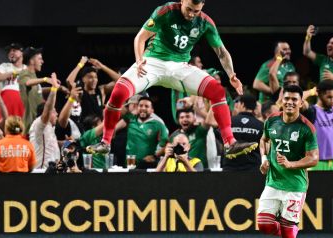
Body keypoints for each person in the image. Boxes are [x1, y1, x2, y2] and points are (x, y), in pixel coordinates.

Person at [87, 0, 257, 160]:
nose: (191, 14)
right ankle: (105, 142)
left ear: (202, 6)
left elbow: (221, 51)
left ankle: (230, 143)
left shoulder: (205, 22)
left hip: (180, 67)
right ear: (182, 1)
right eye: (189, 9)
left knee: (218, 92)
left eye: (196, 11)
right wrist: (139, 60)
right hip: (151, 63)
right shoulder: (166, 11)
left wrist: (231, 74)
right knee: (118, 93)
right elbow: (140, 38)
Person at [257, 84, 318, 238]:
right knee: (264, 225)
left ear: (301, 102)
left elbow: (314, 158)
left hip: (295, 185)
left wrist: (292, 164)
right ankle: (288, 230)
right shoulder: (272, 120)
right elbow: (264, 140)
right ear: (281, 101)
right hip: (273, 181)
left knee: (287, 226)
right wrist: (264, 158)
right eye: (287, 99)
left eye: (294, 99)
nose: (290, 102)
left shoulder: (307, 128)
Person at [117, 96, 168, 169]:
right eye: (140, 106)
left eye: (146, 106)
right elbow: (115, 129)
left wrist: (155, 156)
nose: (143, 108)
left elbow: (166, 145)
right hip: (130, 164)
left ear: (152, 110)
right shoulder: (130, 119)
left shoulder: (158, 125)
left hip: (148, 166)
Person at [18, 47, 56, 130]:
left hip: (38, 122)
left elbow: (38, 91)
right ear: (31, 61)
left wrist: (56, 88)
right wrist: (45, 79)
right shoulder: (24, 73)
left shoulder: (34, 76)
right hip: (30, 125)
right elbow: (28, 82)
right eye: (39, 59)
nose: (42, 62)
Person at [223, 95, 263, 171]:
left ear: (242, 104)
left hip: (230, 168)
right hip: (252, 169)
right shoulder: (261, 125)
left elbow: (220, 137)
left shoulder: (228, 122)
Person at [29, 73, 61, 169]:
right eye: (54, 112)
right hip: (40, 173)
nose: (57, 115)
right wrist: (54, 89)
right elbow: (48, 109)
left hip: (50, 173)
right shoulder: (39, 124)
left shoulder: (50, 127)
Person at [0, 43, 26, 124]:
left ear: (21, 53)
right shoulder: (5, 66)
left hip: (22, 103)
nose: (11, 53)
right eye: (9, 51)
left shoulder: (27, 69)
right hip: (7, 101)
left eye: (14, 50)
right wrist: (8, 74)